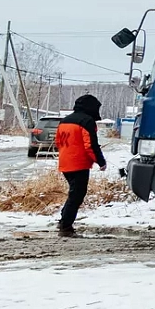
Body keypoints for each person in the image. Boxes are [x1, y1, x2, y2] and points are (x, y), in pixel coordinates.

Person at [55, 94, 106, 237]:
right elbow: (90, 145)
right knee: (77, 195)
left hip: (65, 162)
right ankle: (66, 226)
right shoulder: (87, 121)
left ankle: (64, 220)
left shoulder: (64, 121)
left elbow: (58, 142)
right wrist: (101, 161)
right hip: (79, 164)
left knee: (74, 193)